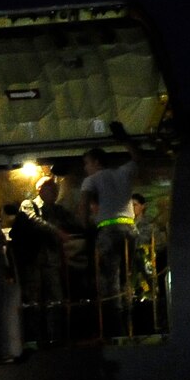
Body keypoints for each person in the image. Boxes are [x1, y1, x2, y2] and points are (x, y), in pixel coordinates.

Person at [82, 126, 146, 329]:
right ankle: (130, 325)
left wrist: (86, 229)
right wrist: (125, 139)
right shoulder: (123, 173)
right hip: (129, 230)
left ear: (96, 162)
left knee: (109, 280)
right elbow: (138, 157)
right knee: (126, 278)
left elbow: (82, 206)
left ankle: (113, 327)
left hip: (108, 232)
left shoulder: (91, 180)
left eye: (87, 163)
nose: (85, 167)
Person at [12, 177, 76, 344]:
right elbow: (34, 221)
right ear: (40, 190)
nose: (54, 193)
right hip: (33, 261)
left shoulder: (58, 210)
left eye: (55, 189)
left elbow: (74, 222)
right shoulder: (29, 204)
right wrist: (57, 232)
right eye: (50, 189)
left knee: (55, 301)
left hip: (52, 262)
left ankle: (56, 338)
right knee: (34, 302)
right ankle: (36, 340)